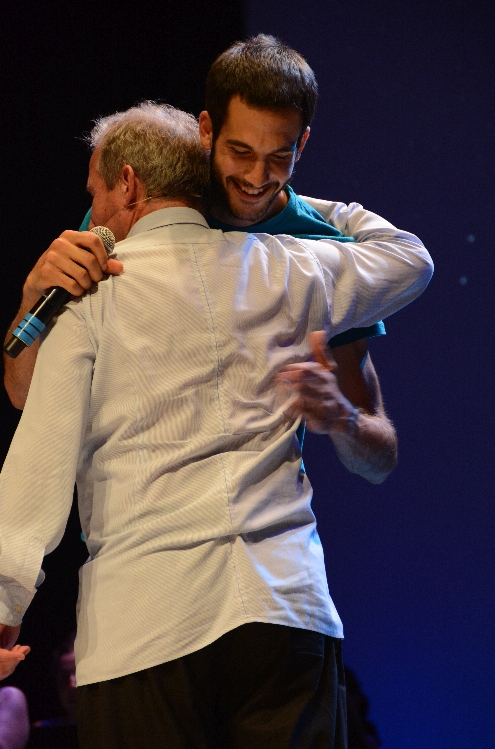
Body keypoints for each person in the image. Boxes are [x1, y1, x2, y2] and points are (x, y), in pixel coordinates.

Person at [0, 103, 431, 748]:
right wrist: (306, 212)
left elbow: (39, 458)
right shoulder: (287, 264)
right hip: (284, 611)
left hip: (145, 623)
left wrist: (5, 602)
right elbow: (409, 259)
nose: (90, 219)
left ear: (128, 185)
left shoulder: (92, 298)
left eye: (94, 195)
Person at [6, 35, 394, 488]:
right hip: (132, 515)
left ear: (302, 143)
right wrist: (31, 296)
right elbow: (24, 392)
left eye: (279, 156)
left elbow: (379, 460)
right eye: (241, 151)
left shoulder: (318, 246)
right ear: (206, 130)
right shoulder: (136, 208)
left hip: (260, 520)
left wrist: (344, 418)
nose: (256, 177)